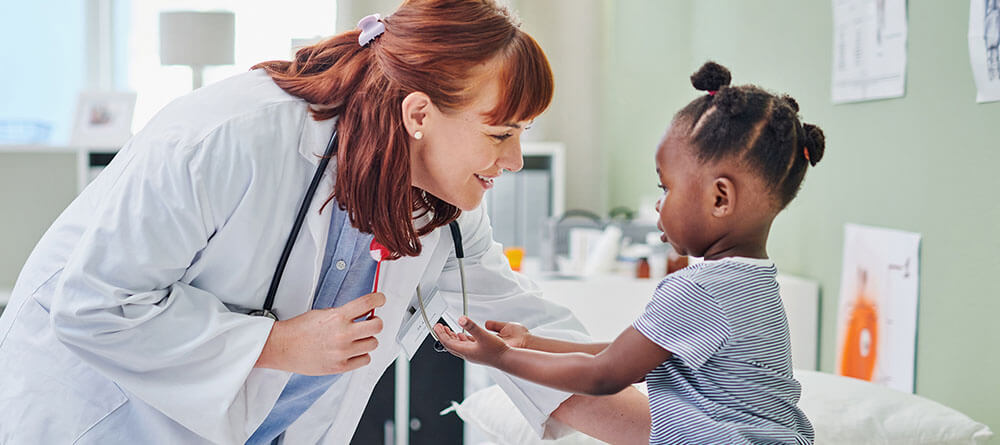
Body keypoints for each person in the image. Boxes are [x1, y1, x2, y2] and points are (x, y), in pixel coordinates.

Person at [0, 1, 647, 443]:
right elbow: (91, 304)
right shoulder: (230, 136)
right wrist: (277, 344)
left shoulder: (440, 210)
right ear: (419, 113)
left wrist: (702, 427)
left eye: (524, 134)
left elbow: (534, 347)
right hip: (97, 417)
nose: (514, 160)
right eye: (501, 132)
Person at [435, 61, 824, 444]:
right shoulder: (756, 285)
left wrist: (500, 359)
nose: (658, 204)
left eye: (666, 187)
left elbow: (607, 374)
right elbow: (629, 355)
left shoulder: (698, 290)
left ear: (720, 198)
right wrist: (534, 342)